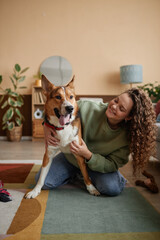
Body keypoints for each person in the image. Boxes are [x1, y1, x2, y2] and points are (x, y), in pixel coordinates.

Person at [35, 88, 157, 196]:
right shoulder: (87, 106)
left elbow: (112, 164)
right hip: (71, 157)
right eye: (116, 100)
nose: (114, 106)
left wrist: (88, 154)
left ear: (129, 117)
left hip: (97, 166)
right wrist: (46, 126)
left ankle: (113, 178)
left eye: (121, 108)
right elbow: (53, 108)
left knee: (112, 188)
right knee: (43, 181)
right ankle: (78, 173)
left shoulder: (127, 137)